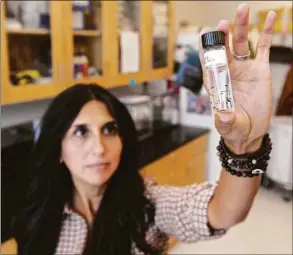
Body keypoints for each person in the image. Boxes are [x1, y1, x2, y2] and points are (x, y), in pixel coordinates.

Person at [5, 3, 276, 255]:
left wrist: (245, 145)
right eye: (80, 132)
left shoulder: (148, 206)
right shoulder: (36, 216)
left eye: (109, 130)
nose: (99, 148)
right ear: (58, 149)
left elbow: (223, 212)